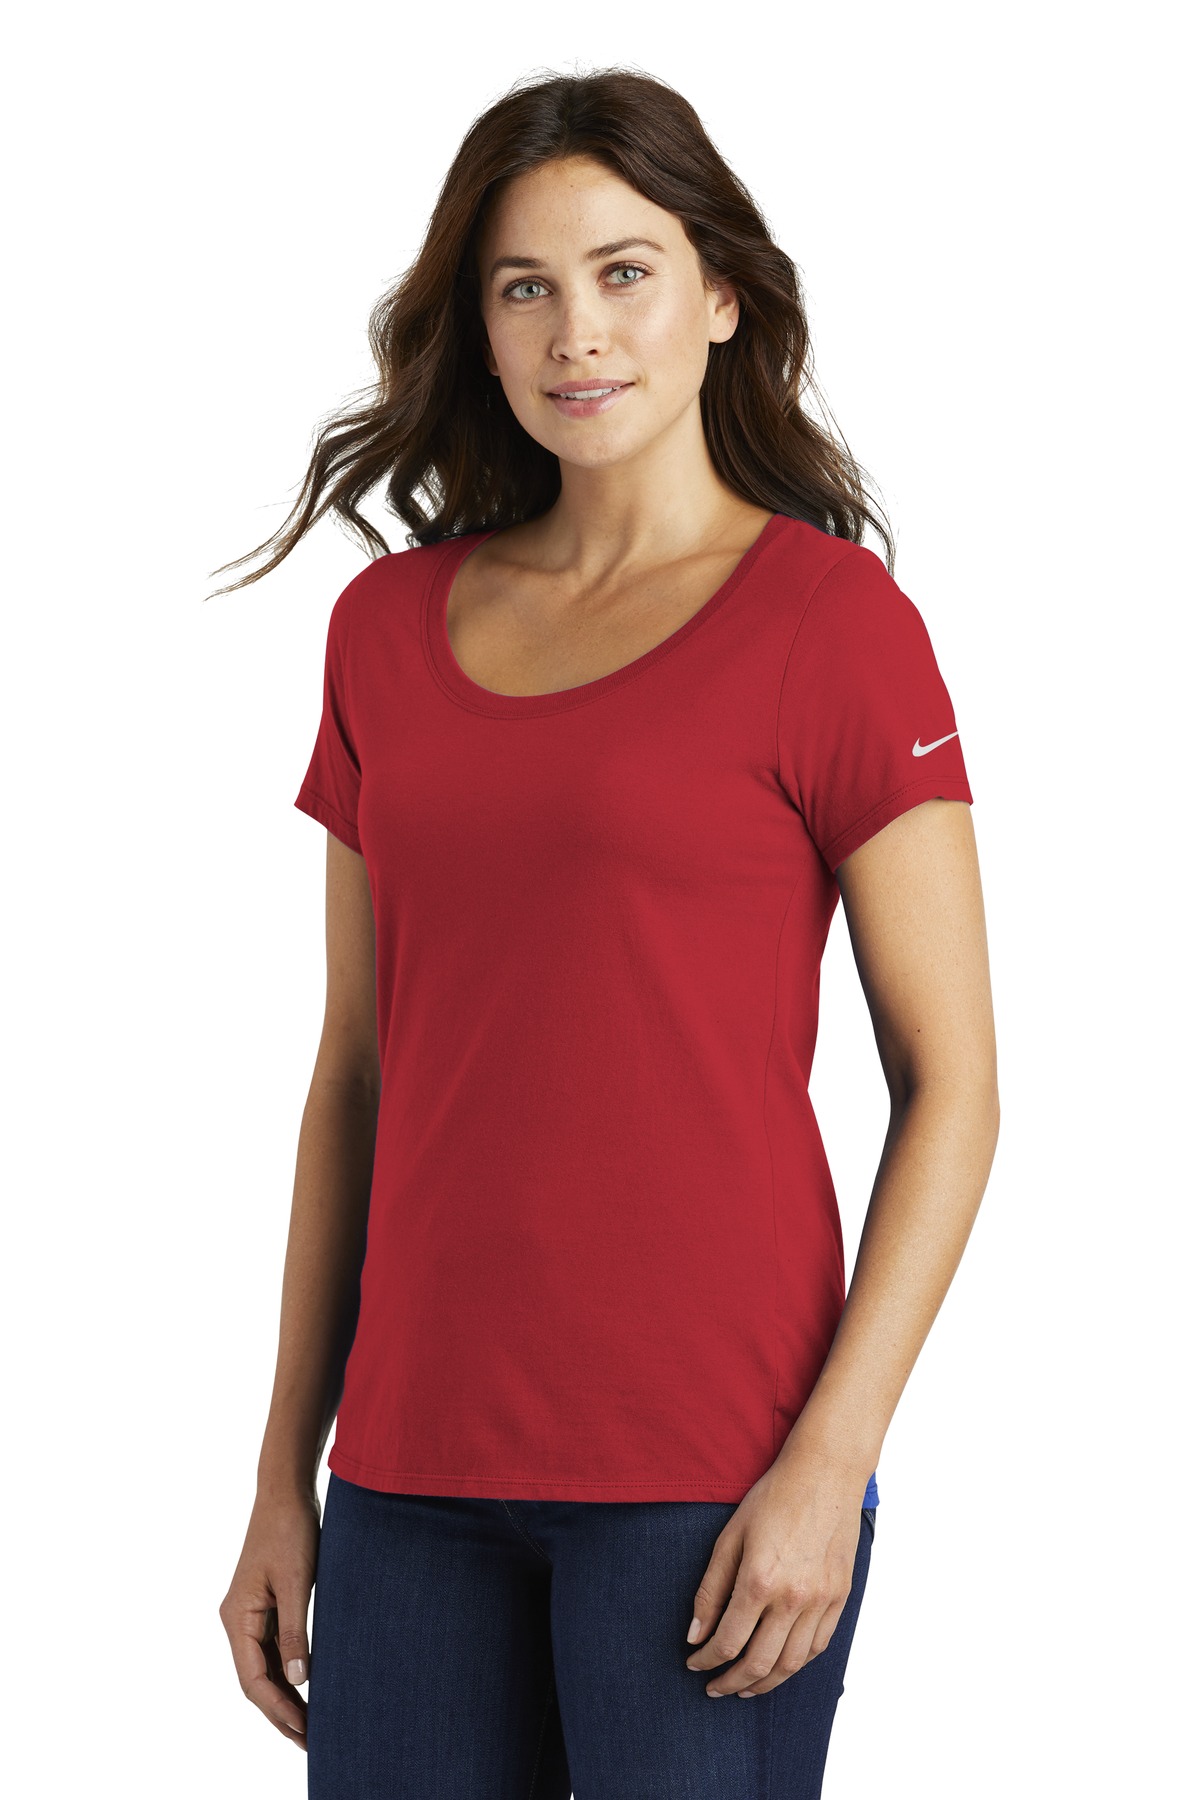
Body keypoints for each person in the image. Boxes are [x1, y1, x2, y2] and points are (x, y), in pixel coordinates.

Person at [216, 65, 999, 1800]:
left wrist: (832, 1464)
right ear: (482, 331)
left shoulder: (833, 625)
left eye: (624, 272)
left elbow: (954, 1087)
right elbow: (356, 1076)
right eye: (526, 287)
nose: (577, 331)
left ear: (721, 296)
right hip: (409, 1473)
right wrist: (285, 1472)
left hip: (710, 1475)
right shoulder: (384, 631)